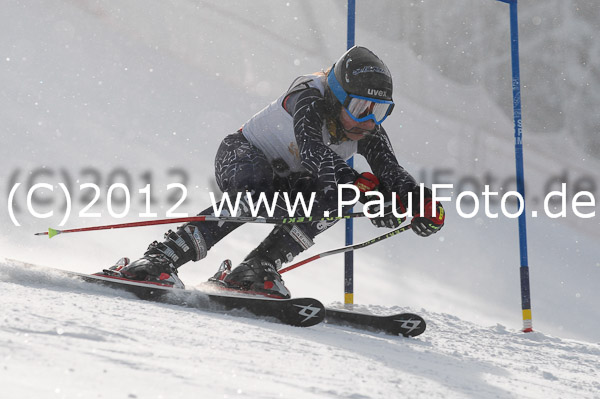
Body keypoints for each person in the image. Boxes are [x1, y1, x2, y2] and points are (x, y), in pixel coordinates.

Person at [104, 46, 445, 298]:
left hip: (292, 179)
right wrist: (359, 185)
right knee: (256, 195)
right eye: (359, 107)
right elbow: (313, 152)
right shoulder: (310, 97)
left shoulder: (366, 127)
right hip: (243, 154)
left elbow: (391, 171)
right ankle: (162, 257)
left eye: (380, 111)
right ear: (338, 97)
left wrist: (419, 202)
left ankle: (257, 267)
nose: (368, 120)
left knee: (338, 200)